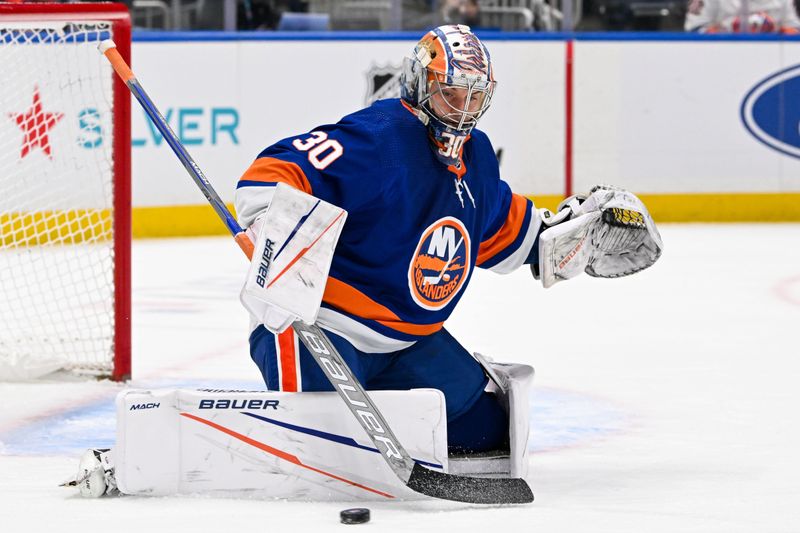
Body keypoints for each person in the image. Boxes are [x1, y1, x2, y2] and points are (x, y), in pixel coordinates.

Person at [235, 24, 661, 470]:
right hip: (322, 328)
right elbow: (273, 172)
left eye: (475, 97)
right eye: (451, 94)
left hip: (409, 342)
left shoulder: (475, 156)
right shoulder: (380, 137)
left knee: (488, 435)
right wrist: (272, 227)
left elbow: (511, 232)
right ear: (421, 85)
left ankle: (383, 424)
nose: (463, 110)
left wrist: (576, 238)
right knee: (323, 451)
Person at [685, 0, 800, 32]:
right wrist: (727, 32)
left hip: (773, 57)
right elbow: (694, 30)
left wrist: (774, 30)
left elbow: (796, 31)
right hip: (721, 56)